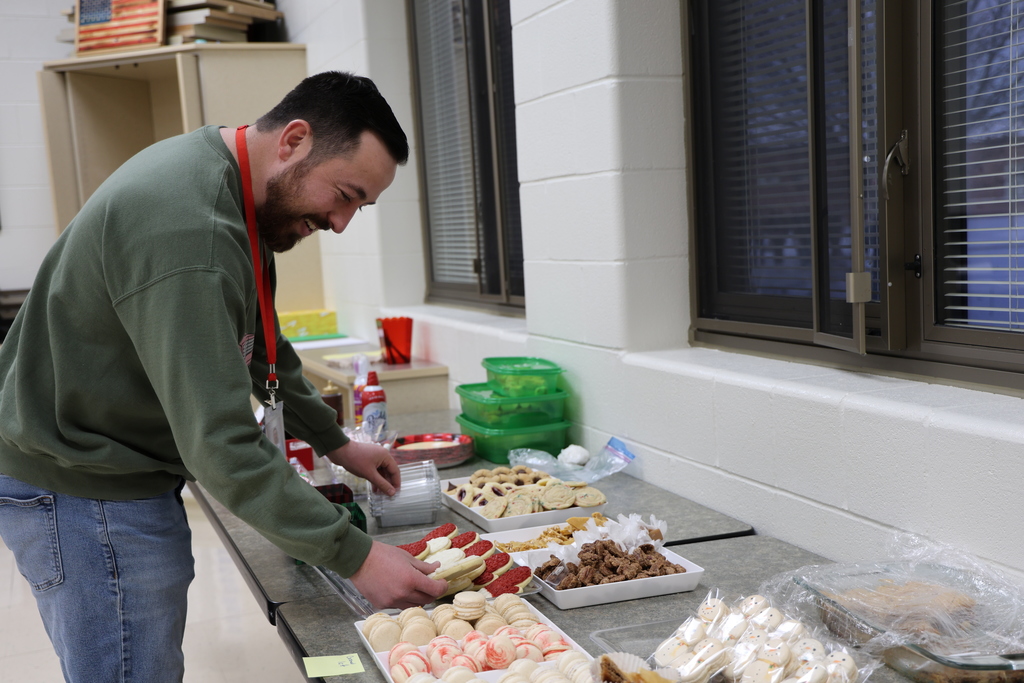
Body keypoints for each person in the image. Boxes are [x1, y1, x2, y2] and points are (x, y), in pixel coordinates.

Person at [0, 71, 446, 682]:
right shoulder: (191, 229)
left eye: (359, 207)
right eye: (344, 195)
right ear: (293, 140)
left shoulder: (237, 189)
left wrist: (337, 443)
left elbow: (264, 346)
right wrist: (357, 556)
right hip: (84, 483)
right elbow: (220, 446)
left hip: (110, 462)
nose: (342, 223)